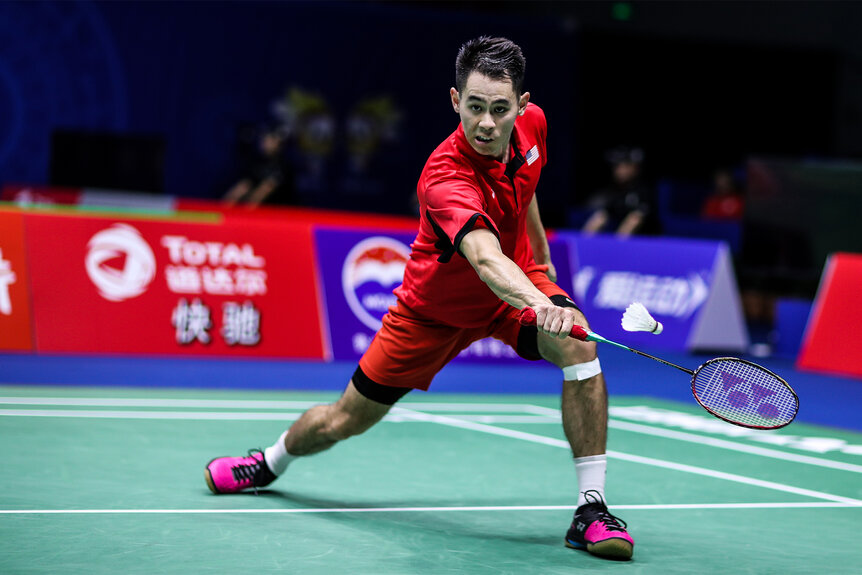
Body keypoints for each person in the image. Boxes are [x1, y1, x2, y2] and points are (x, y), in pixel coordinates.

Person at [204, 36, 634, 561]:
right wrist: (540, 300)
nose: (485, 124)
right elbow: (484, 260)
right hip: (433, 312)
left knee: (580, 350)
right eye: (474, 107)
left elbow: (528, 188)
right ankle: (269, 463)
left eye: (500, 110)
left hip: (517, 284)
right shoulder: (445, 174)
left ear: (522, 106)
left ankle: (592, 507)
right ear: (455, 100)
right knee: (345, 419)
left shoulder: (534, 125)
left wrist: (544, 271)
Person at [581, 145, 656, 236]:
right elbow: (601, 217)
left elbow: (634, 220)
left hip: (647, 243)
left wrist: (617, 245)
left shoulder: (644, 190)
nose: (617, 170)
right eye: (616, 166)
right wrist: (584, 239)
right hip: (625, 244)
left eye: (622, 165)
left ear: (634, 167)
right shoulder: (617, 191)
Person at [222, 125, 297, 207]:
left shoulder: (282, 166)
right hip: (256, 210)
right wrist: (225, 206)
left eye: (271, 139)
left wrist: (246, 212)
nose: (265, 140)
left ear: (279, 144)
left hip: (278, 212)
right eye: (265, 137)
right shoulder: (257, 160)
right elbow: (244, 186)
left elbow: (262, 192)